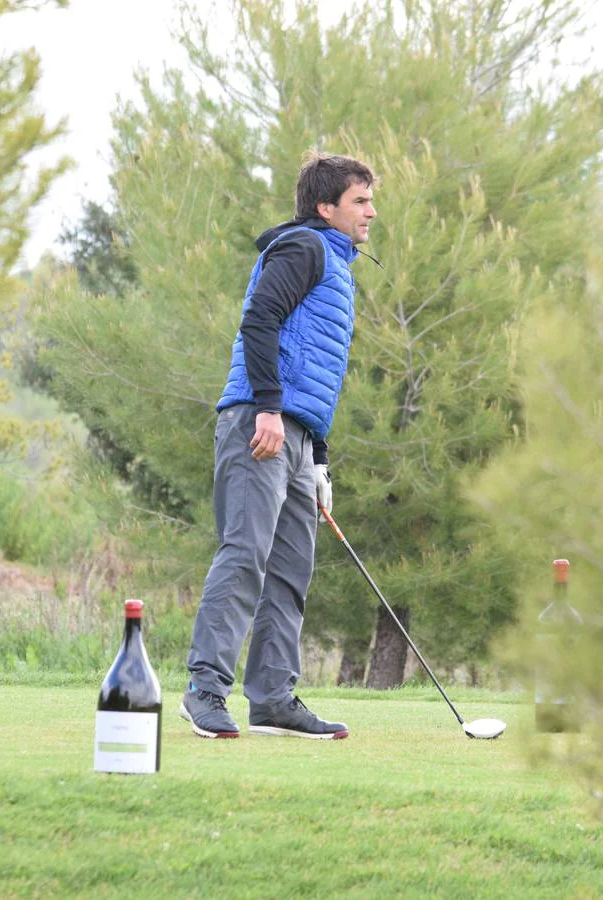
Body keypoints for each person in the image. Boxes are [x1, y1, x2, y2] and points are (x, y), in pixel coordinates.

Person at [180, 152, 378, 739]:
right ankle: (204, 691)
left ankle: (271, 698)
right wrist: (266, 407)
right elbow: (260, 320)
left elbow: (316, 373)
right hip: (259, 424)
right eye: (360, 201)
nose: (372, 212)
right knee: (245, 555)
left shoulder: (337, 266)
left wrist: (318, 461)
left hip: (296, 436)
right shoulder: (303, 248)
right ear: (326, 207)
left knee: (291, 567)